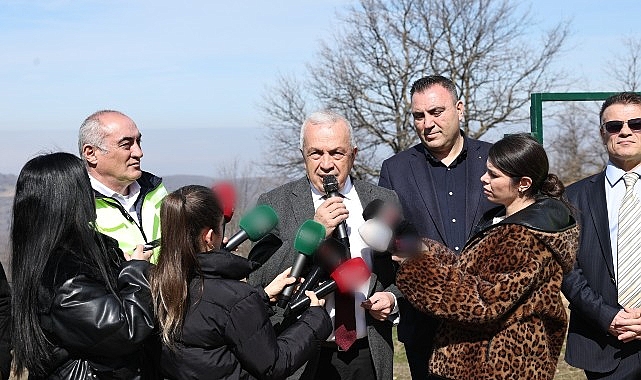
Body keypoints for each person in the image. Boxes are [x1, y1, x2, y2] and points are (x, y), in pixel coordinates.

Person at [395, 133, 579, 379]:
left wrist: (415, 266)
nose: (484, 178)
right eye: (486, 171)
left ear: (523, 183)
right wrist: (423, 250)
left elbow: (481, 302)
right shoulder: (502, 220)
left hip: (501, 367)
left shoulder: (525, 236)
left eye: (494, 175)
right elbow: (470, 272)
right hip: (477, 362)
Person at [247, 110, 401, 380]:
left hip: (368, 351)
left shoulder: (382, 200)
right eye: (316, 153)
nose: (326, 164)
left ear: (353, 153)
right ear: (302, 154)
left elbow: (407, 271)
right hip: (302, 354)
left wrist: (391, 298)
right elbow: (258, 279)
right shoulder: (275, 203)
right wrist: (313, 231)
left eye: (337, 153)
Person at [150, 185, 332, 379]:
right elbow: (274, 365)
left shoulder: (155, 281)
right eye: (222, 227)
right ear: (209, 237)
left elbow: (211, 319)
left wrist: (262, 296)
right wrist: (315, 319)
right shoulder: (234, 297)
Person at [378, 75, 494, 379]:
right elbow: (392, 239)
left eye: (436, 112)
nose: (427, 123)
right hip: (426, 327)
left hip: (491, 326)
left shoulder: (495, 161)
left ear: (460, 108)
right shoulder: (396, 170)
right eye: (419, 116)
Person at [10, 152, 156, 379]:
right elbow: (127, 330)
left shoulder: (58, 256)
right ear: (66, 199)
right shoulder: (66, 278)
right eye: (84, 185)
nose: (90, 193)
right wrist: (137, 269)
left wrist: (120, 267)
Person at [562, 92, 641, 379]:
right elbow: (566, 269)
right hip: (603, 343)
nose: (625, 131)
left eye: (636, 123)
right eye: (614, 126)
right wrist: (608, 316)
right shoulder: (572, 197)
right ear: (602, 133)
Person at [79, 110, 168, 263]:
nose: (139, 153)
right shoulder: (78, 208)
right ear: (91, 153)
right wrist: (132, 271)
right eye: (126, 145)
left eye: (138, 142)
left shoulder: (155, 189)